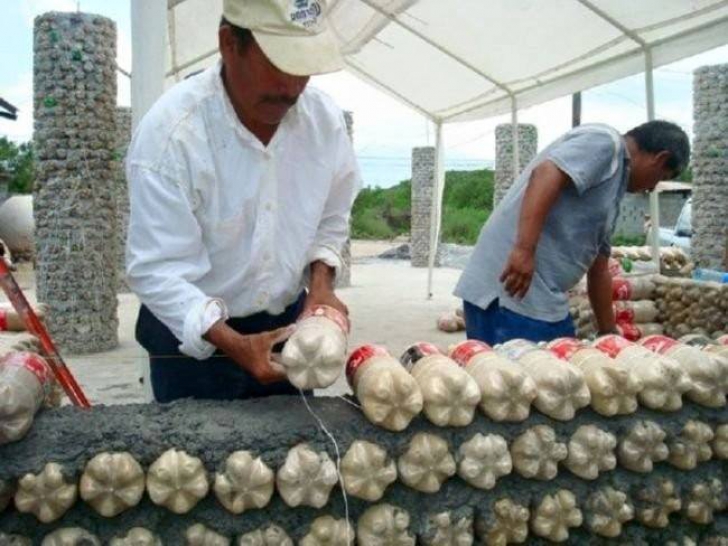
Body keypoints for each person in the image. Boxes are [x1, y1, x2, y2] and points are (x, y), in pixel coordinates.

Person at [126, 0, 361, 402]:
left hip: (286, 330)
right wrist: (232, 343)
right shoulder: (172, 135)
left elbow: (331, 217)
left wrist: (321, 285)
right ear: (228, 44)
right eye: (278, 63)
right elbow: (158, 270)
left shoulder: (324, 123)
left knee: (293, 460)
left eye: (302, 66)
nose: (291, 88)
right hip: (192, 347)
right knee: (191, 462)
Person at [455, 120, 690, 345]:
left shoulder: (614, 191)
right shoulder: (606, 143)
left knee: (562, 373)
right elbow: (546, 173)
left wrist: (609, 332)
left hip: (545, 299)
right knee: (520, 381)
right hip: (511, 292)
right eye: (661, 178)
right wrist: (524, 250)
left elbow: (599, 269)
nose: (651, 188)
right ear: (661, 159)